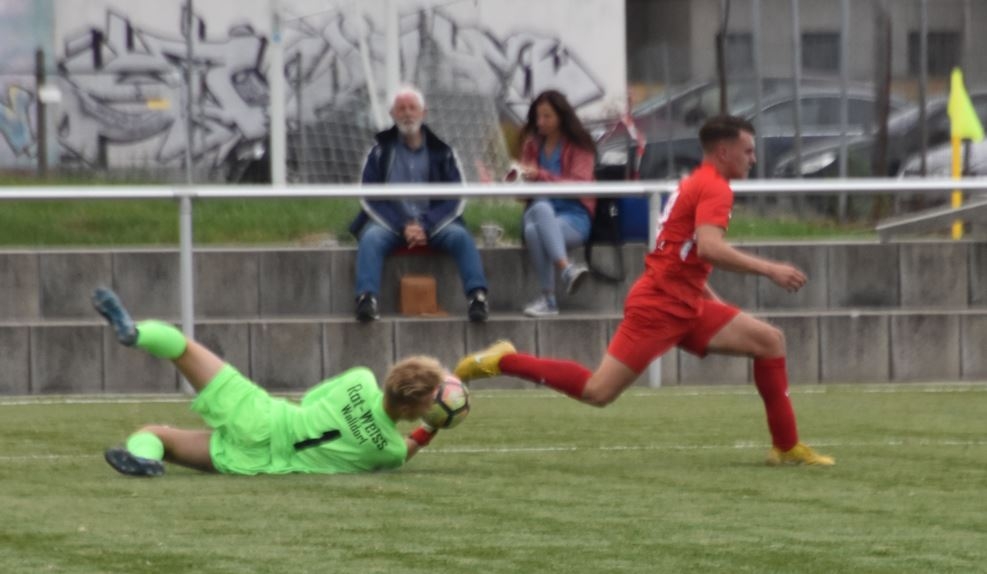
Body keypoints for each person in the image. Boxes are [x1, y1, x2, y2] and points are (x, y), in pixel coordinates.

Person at [455, 115, 834, 466]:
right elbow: (709, 248)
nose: (754, 159)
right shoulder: (714, 188)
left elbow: (682, 253)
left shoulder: (697, 182)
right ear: (724, 151)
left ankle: (786, 446)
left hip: (685, 301)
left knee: (769, 341)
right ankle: (505, 360)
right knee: (597, 392)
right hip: (660, 306)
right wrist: (771, 269)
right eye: (748, 151)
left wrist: (716, 304)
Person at [92, 287, 444, 477]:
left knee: (183, 349)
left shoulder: (360, 379)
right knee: (158, 436)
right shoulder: (389, 450)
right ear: (411, 409)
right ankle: (148, 461)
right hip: (257, 463)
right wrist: (431, 428)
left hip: (264, 417)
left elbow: (311, 399)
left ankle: (135, 334)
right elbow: (406, 450)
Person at [350, 85, 489, 323]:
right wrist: (403, 225)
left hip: (434, 224)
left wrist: (426, 225)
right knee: (370, 238)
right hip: (392, 225)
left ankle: (477, 297)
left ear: (424, 113)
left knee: (461, 237)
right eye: (401, 108)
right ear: (392, 114)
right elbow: (369, 197)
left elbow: (456, 197)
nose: (407, 113)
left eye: (412, 108)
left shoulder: (443, 151)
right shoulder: (379, 151)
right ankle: (366, 298)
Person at [515, 90, 597, 317]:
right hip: (538, 212)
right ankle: (567, 269)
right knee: (540, 208)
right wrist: (517, 180)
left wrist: (540, 175)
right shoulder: (532, 145)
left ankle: (548, 299)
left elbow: (580, 185)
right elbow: (521, 197)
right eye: (537, 117)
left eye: (547, 116)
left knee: (533, 230)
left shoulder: (579, 145)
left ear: (561, 116)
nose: (540, 122)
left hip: (574, 217)